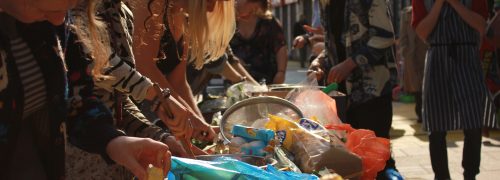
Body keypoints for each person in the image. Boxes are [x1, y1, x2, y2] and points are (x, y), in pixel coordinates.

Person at [0, 0, 171, 179]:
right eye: (51, 8)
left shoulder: (51, 22)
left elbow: (75, 99)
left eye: (68, 8)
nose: (60, 20)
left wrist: (113, 141)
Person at [64, 0, 204, 178]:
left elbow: (121, 105)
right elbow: (95, 58)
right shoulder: (72, 10)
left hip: (119, 165)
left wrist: (161, 137)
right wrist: (155, 94)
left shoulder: (123, 14)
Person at [308, 0, 401, 179]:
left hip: (372, 91)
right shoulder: (325, 4)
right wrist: (319, 62)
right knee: (352, 159)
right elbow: (332, 45)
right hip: (344, 95)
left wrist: (350, 64)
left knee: (378, 160)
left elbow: (385, 36)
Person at [412, 0, 498, 179]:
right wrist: (439, 4)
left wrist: (455, 3)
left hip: (467, 57)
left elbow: (480, 25)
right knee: (436, 124)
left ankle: (470, 173)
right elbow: (422, 31)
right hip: (437, 58)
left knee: (474, 119)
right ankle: (442, 176)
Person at [230, 0, 288, 84]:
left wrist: (281, 72)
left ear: (255, 4)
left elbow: (281, 47)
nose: (235, 3)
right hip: (236, 80)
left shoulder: (269, 23)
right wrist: (233, 62)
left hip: (266, 81)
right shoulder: (229, 24)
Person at [399, 6, 428, 123]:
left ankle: (426, 113)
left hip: (426, 52)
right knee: (416, 86)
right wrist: (405, 50)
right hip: (412, 55)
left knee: (427, 85)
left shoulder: (429, 9)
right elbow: (403, 34)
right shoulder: (406, 13)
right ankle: (420, 113)